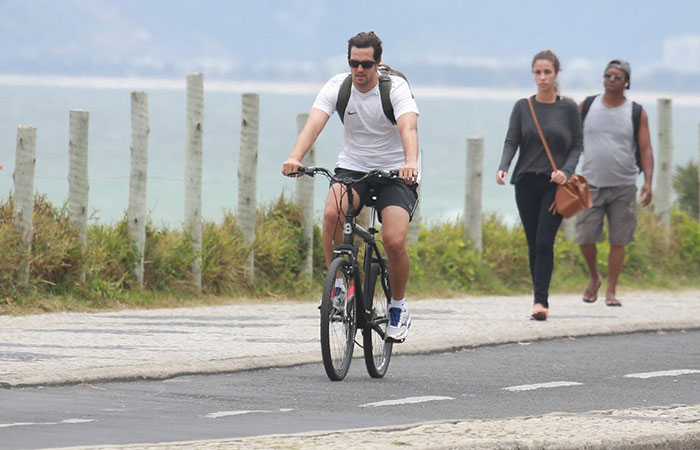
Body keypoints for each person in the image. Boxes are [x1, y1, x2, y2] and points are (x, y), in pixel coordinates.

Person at [281, 31, 420, 342]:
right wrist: (295, 156)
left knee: (394, 240)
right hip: (353, 168)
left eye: (366, 64)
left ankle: (398, 306)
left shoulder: (395, 89)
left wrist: (410, 162)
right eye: (354, 63)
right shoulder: (338, 86)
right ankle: (339, 285)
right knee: (332, 213)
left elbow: (408, 126)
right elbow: (314, 123)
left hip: (396, 172)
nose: (359, 70)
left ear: (378, 63)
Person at [496, 50, 583, 321]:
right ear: (533, 74)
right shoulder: (523, 106)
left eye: (547, 72)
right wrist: (503, 166)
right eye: (538, 72)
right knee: (533, 243)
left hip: (554, 185)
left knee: (545, 241)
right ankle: (538, 296)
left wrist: (566, 172)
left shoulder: (568, 108)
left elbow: (577, 145)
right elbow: (512, 141)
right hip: (525, 182)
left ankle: (540, 302)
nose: (542, 77)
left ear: (556, 74)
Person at [576, 59, 654, 307]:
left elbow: (645, 148)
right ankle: (594, 276)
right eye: (608, 75)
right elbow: (570, 140)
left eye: (617, 77)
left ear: (627, 82)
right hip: (591, 184)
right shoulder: (587, 106)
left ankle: (611, 290)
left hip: (623, 185)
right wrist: (565, 171)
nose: (611, 79)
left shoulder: (636, 112)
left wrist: (648, 182)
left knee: (618, 240)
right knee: (584, 236)